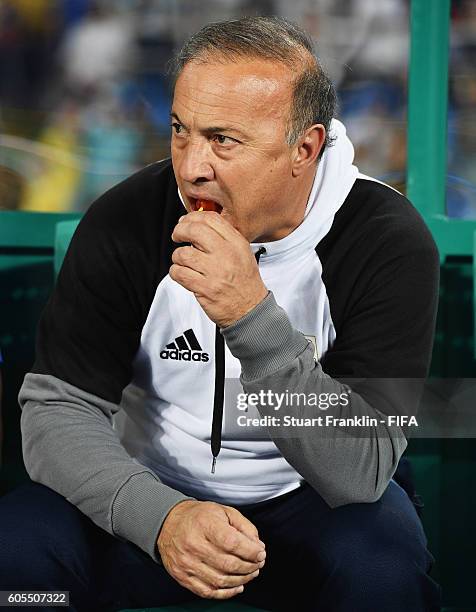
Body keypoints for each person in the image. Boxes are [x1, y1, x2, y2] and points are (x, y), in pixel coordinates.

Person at [0, 16, 441, 612]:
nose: (190, 167)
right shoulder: (128, 217)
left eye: (223, 140)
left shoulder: (384, 239)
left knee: (384, 574)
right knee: (22, 577)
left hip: (308, 504)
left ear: (304, 148)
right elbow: (57, 412)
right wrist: (162, 518)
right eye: (180, 130)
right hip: (144, 496)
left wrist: (252, 318)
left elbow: (359, 469)